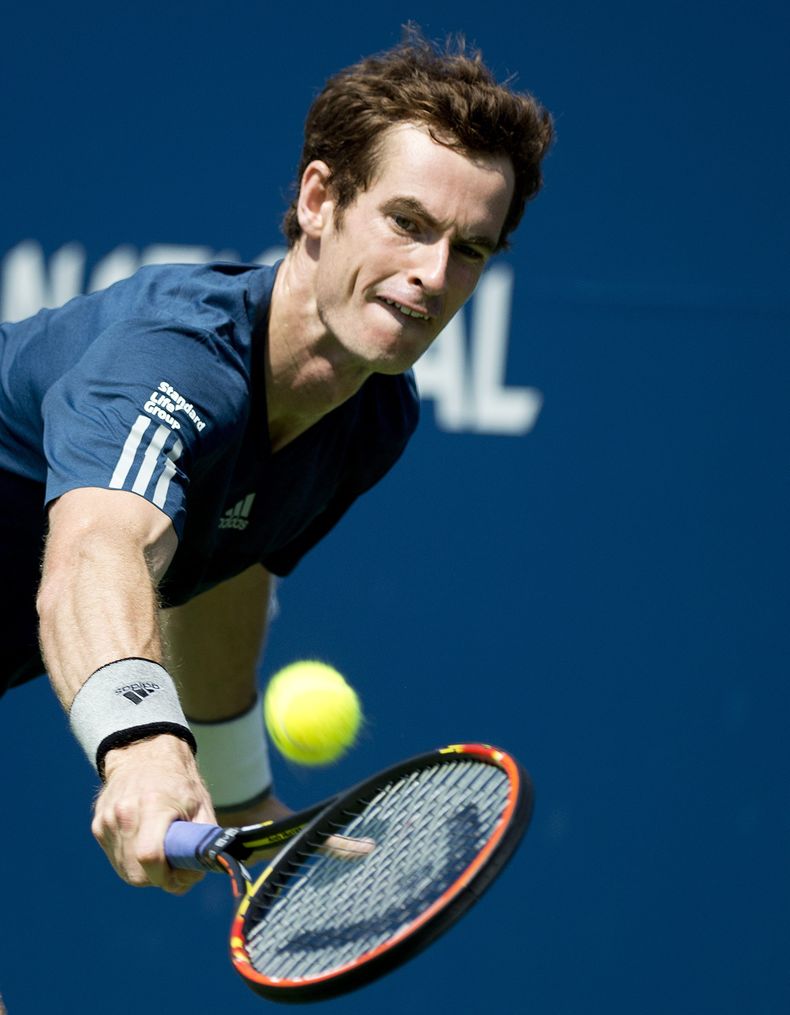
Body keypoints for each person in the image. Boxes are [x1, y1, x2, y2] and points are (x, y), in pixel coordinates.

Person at [0, 28, 553, 893]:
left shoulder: (370, 417)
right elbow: (98, 549)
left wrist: (239, 791)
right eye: (408, 223)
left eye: (470, 248)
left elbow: (220, 565)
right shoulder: (174, 357)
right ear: (319, 200)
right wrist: (143, 741)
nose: (433, 275)